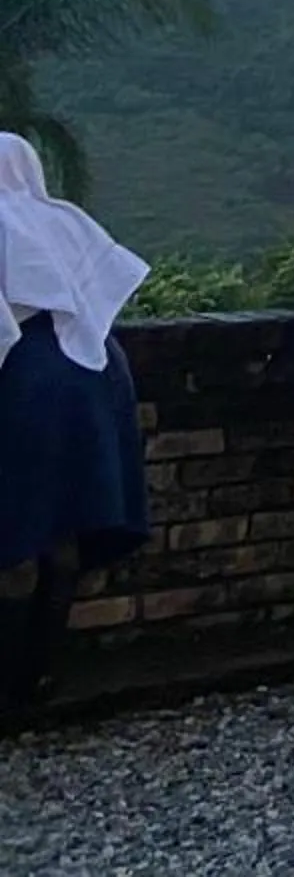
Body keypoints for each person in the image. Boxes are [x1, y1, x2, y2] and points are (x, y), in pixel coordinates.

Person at [0, 132, 152, 713]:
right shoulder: (61, 218)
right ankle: (37, 674)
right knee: (64, 524)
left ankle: (8, 678)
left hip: (31, 379)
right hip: (97, 368)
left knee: (16, 525)